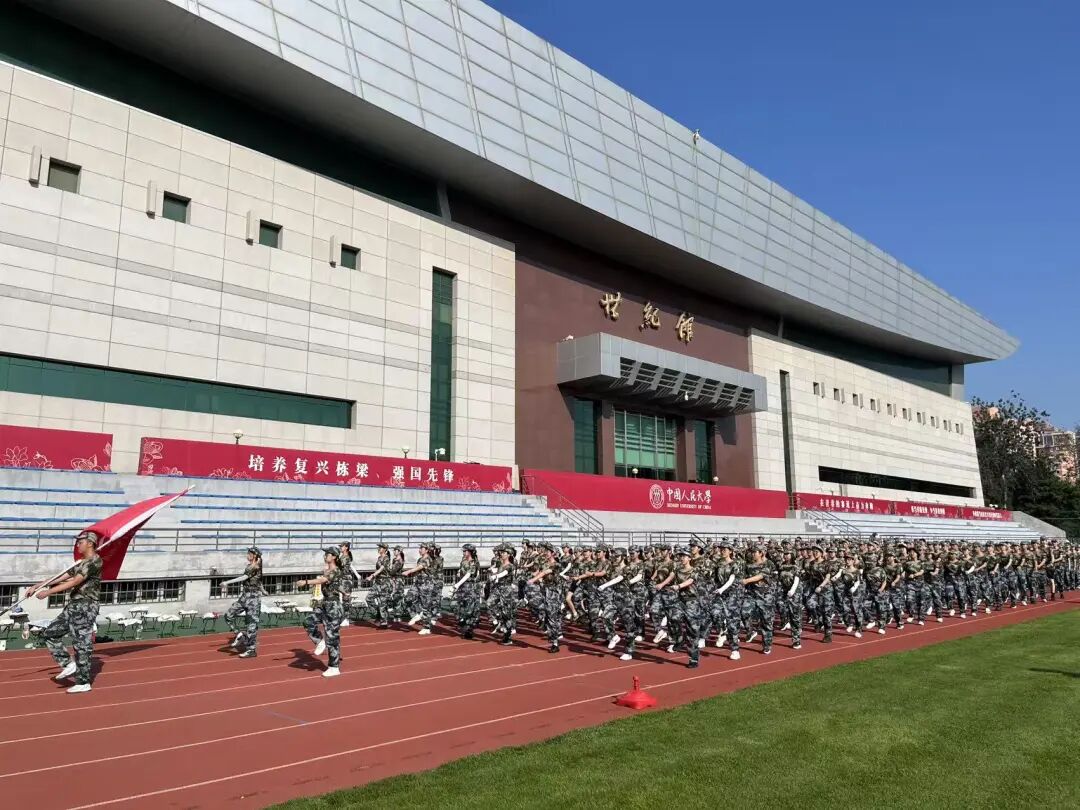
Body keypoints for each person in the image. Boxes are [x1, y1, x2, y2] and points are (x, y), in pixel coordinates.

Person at [29, 530, 103, 694]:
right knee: (50, 633)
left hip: (86, 606)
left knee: (81, 644)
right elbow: (62, 577)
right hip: (74, 605)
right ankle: (68, 664)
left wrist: (48, 592)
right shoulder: (81, 562)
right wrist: (37, 586)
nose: (77, 545)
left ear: (90, 543)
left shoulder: (94, 562)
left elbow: (75, 581)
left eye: (80, 542)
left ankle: (83, 682)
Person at [298, 547, 347, 677]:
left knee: (332, 637)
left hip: (333, 606)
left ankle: (334, 667)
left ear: (334, 557)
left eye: (328, 554)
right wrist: (344, 592)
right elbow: (335, 585)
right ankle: (320, 641)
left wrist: (306, 582)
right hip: (325, 603)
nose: (325, 556)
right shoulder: (327, 571)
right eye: (325, 554)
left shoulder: (335, 570)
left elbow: (322, 581)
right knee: (308, 621)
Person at [221, 546, 263, 658]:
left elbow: (244, 577)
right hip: (244, 597)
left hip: (253, 599)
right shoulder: (251, 566)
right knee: (228, 615)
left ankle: (251, 649)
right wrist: (263, 590)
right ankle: (239, 634)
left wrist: (227, 582)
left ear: (255, 555)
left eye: (249, 553)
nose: (247, 555)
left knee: (251, 625)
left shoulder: (255, 566)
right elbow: (258, 581)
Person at [453, 543, 483, 639]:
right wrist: (459, 573)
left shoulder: (474, 562)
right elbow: (461, 570)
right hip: (463, 587)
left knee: (470, 609)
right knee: (458, 606)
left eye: (465, 551)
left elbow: (469, 574)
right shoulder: (464, 561)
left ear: (470, 552)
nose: (463, 552)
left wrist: (457, 584)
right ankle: (464, 624)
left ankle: (469, 629)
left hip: (471, 587)